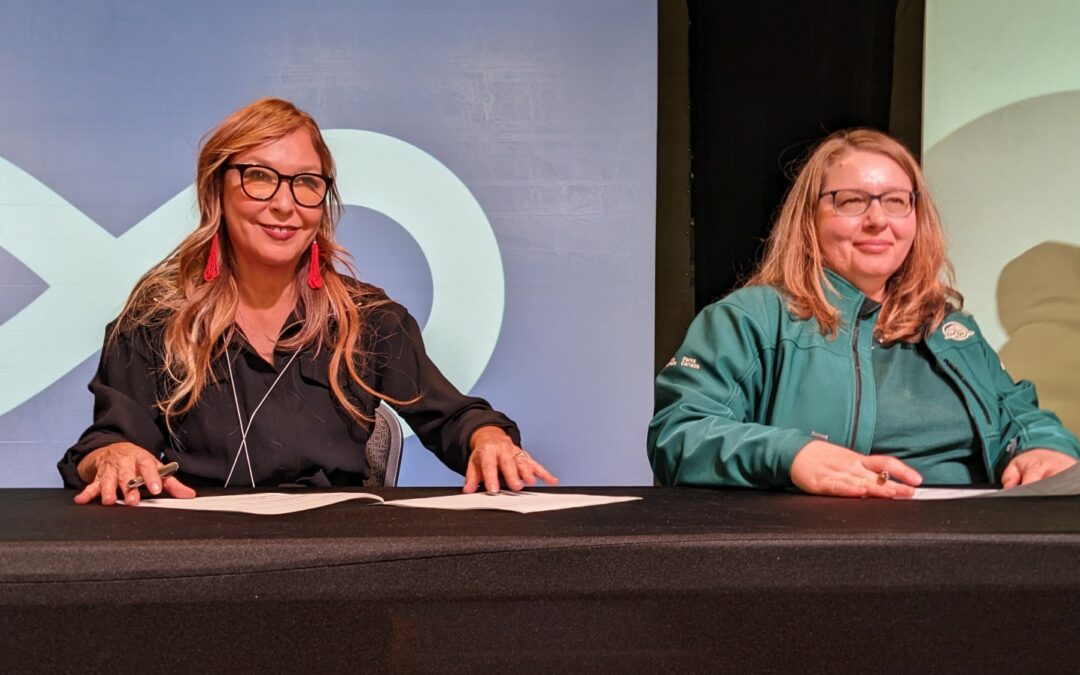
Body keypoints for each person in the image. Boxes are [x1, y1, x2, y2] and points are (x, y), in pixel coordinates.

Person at [59, 97, 557, 505]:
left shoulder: (369, 320)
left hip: (336, 569)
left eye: (306, 184)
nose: (284, 203)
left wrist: (486, 438)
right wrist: (114, 456)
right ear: (217, 190)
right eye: (259, 176)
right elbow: (107, 442)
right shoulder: (155, 319)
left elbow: (452, 416)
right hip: (196, 568)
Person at [648, 129, 1080, 498]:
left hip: (974, 548)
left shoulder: (949, 328)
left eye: (896, 201)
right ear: (808, 219)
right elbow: (679, 433)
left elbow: (1019, 414)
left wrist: (1042, 445)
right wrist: (793, 455)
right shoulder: (752, 318)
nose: (878, 220)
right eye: (851, 200)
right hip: (831, 553)